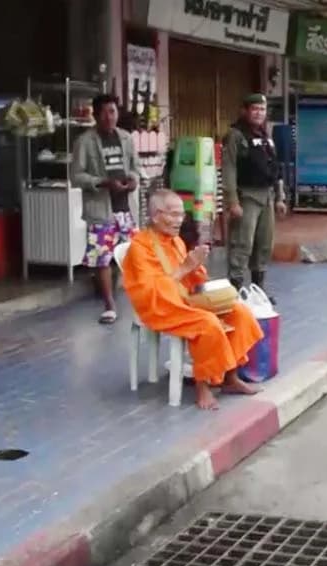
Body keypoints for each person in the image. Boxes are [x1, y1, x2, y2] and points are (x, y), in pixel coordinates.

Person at [122, 189, 264, 410]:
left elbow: (188, 280)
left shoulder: (176, 241)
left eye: (181, 215)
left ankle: (230, 377)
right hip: (158, 307)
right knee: (208, 323)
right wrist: (187, 267)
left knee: (239, 312)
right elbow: (152, 291)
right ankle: (203, 386)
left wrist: (196, 266)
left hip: (183, 300)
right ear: (156, 215)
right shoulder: (140, 247)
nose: (179, 220)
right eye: (173, 215)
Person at [72, 93, 144, 324]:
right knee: (102, 258)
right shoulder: (85, 141)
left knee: (133, 255)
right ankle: (109, 305)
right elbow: (76, 176)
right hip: (100, 208)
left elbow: (136, 166)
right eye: (103, 112)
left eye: (112, 111)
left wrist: (133, 180)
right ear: (95, 114)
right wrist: (102, 182)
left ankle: (140, 299)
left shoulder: (126, 138)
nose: (108, 117)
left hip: (125, 208)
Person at [222, 94, 286, 295]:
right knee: (242, 243)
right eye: (255, 109)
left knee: (264, 243)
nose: (259, 113)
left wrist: (279, 197)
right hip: (247, 196)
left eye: (262, 109)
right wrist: (232, 201)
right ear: (245, 111)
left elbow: (276, 168)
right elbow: (229, 169)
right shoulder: (236, 135)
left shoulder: (265, 136)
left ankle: (258, 289)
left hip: (267, 196)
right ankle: (236, 289)